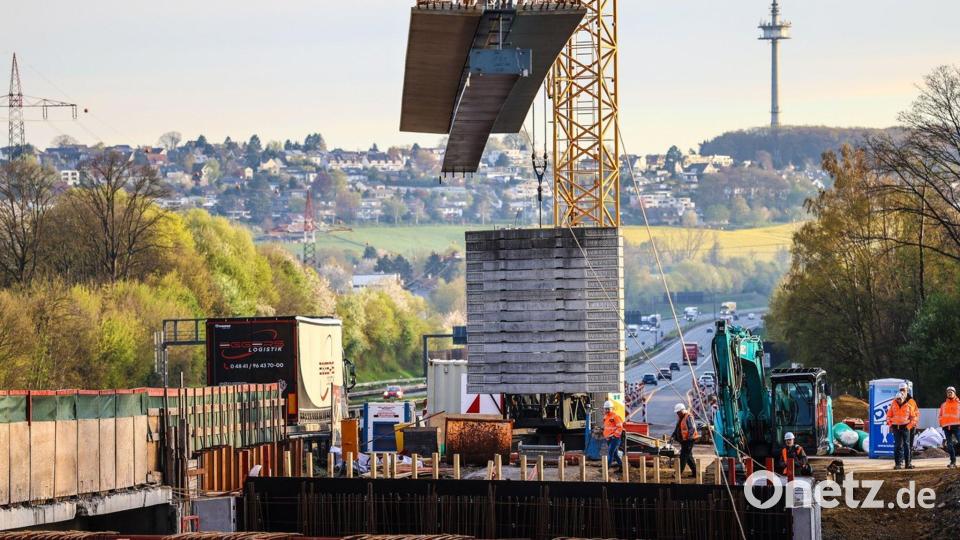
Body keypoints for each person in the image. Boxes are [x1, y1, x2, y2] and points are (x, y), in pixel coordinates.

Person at [886, 383, 919, 470]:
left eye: (903, 389)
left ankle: (908, 463)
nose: (902, 391)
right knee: (898, 445)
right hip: (896, 427)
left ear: (907, 390)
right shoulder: (894, 402)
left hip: (907, 427)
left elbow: (915, 415)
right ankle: (899, 463)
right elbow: (888, 415)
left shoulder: (911, 402)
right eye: (901, 390)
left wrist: (911, 425)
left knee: (908, 445)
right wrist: (891, 425)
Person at [671, 403, 699, 477]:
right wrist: (673, 435)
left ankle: (678, 473)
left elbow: (692, 429)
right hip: (684, 441)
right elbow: (678, 428)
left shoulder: (688, 417)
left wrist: (688, 439)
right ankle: (696, 473)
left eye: (678, 412)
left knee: (683, 457)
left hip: (689, 441)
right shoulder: (681, 418)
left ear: (682, 410)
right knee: (689, 457)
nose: (677, 414)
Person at [939, 386, 960, 469]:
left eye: (951, 392)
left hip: (957, 426)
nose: (949, 393)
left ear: (954, 393)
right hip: (946, 427)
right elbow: (940, 416)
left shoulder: (959, 404)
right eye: (948, 392)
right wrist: (942, 423)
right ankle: (953, 461)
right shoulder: (943, 405)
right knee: (949, 445)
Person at [602, 400, 624, 469]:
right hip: (609, 438)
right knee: (615, 454)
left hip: (615, 438)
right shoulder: (605, 417)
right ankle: (622, 467)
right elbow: (607, 427)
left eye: (608, 408)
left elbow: (620, 427)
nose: (607, 410)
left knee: (610, 453)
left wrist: (614, 436)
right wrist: (606, 435)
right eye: (606, 409)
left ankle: (606, 468)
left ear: (612, 408)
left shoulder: (616, 417)